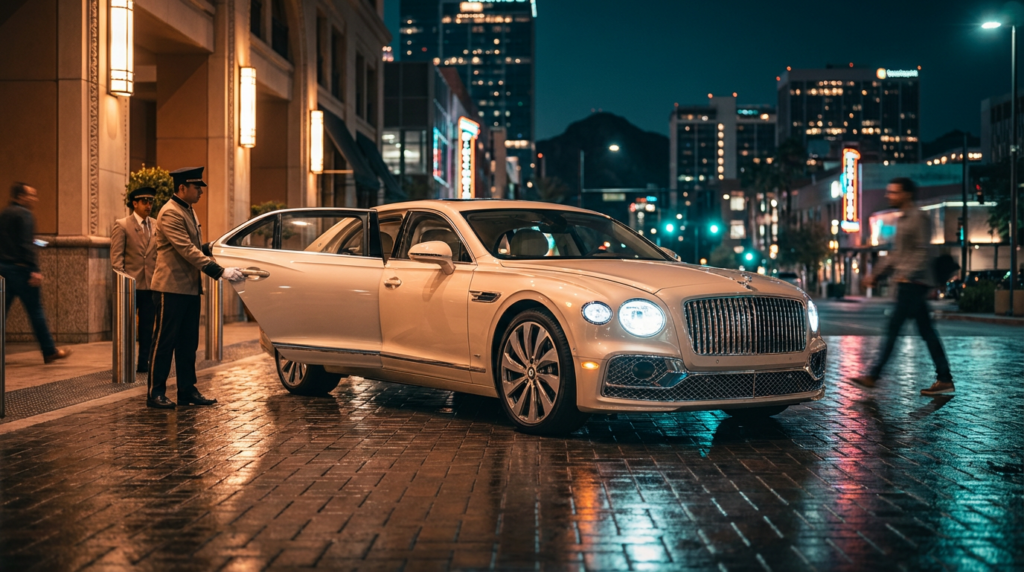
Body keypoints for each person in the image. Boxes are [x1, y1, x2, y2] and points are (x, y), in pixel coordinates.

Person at [146, 167, 244, 409]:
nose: (200, 191)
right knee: (164, 342)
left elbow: (194, 246)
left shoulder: (188, 210)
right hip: (171, 288)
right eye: (196, 187)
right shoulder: (170, 212)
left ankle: (186, 390)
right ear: (182, 188)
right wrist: (219, 271)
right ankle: (155, 392)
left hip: (188, 288)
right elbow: (186, 250)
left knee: (188, 343)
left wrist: (213, 247)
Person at [852, 177, 954, 396]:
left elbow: (923, 252)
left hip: (914, 284)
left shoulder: (919, 218)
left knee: (893, 329)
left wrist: (905, 275)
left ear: (906, 194)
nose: (889, 196)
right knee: (926, 332)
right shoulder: (903, 219)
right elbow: (896, 255)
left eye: (894, 192)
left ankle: (874, 375)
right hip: (909, 284)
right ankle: (944, 378)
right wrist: (876, 274)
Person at [0, 182, 72, 364]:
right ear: (21, 196)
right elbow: (25, 243)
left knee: (2, 312)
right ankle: (49, 351)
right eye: (31, 195)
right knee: (36, 311)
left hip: (4, 269)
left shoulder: (4, 214)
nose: (35, 199)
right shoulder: (25, 214)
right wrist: (34, 270)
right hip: (23, 270)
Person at [111, 187, 159, 373]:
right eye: (145, 201)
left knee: (148, 327)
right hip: (130, 286)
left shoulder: (156, 225)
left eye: (151, 202)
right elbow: (116, 259)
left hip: (151, 284)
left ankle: (143, 362)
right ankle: (125, 363)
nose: (149, 205)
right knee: (127, 327)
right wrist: (123, 280)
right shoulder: (122, 225)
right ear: (135, 203)